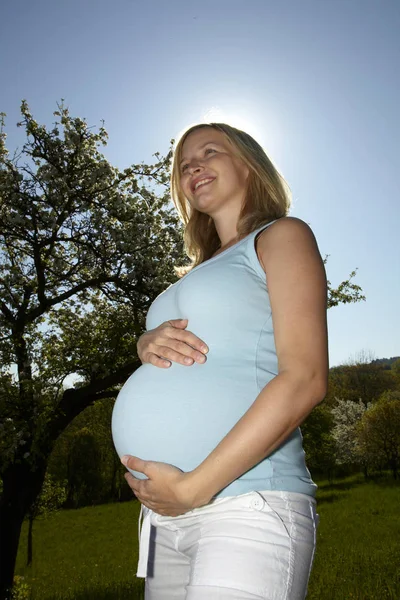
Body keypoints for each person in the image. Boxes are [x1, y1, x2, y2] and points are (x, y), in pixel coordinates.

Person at [112, 122, 329, 599]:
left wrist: (195, 488)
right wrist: (144, 344)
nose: (193, 166)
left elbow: (306, 377)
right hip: (163, 517)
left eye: (210, 152)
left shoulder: (281, 236)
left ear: (250, 166)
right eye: (185, 164)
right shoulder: (194, 274)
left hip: (247, 500)